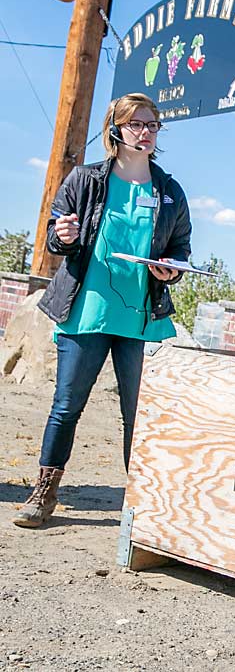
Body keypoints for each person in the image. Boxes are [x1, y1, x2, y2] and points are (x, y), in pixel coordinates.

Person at [13, 92, 192, 529]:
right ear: (115, 129)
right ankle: (44, 491)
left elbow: (181, 250)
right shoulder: (85, 180)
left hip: (141, 320)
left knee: (140, 414)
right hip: (86, 312)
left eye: (152, 125)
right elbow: (57, 241)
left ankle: (141, 505)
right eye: (137, 124)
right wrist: (65, 235)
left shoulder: (169, 191)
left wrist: (171, 271)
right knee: (66, 406)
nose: (146, 132)